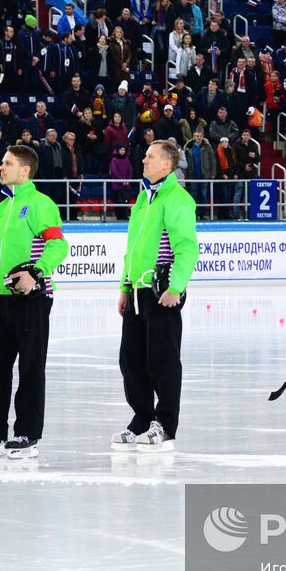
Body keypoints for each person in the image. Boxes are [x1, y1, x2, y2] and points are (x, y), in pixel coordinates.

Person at [0, 145, 69, 459]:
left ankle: (26, 433)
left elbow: (58, 246)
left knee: (31, 367)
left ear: (24, 170)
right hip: (1, 301)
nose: (1, 167)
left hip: (32, 300)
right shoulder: (2, 207)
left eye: (7, 163)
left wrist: (36, 273)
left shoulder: (39, 203)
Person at [112, 140, 199, 452]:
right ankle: (142, 418)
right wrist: (125, 286)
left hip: (161, 292)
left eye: (150, 157)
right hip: (137, 291)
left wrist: (175, 287)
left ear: (167, 165)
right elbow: (132, 249)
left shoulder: (177, 198)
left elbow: (187, 247)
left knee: (162, 361)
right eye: (144, 155)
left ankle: (165, 425)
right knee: (131, 360)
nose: (143, 160)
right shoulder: (143, 198)